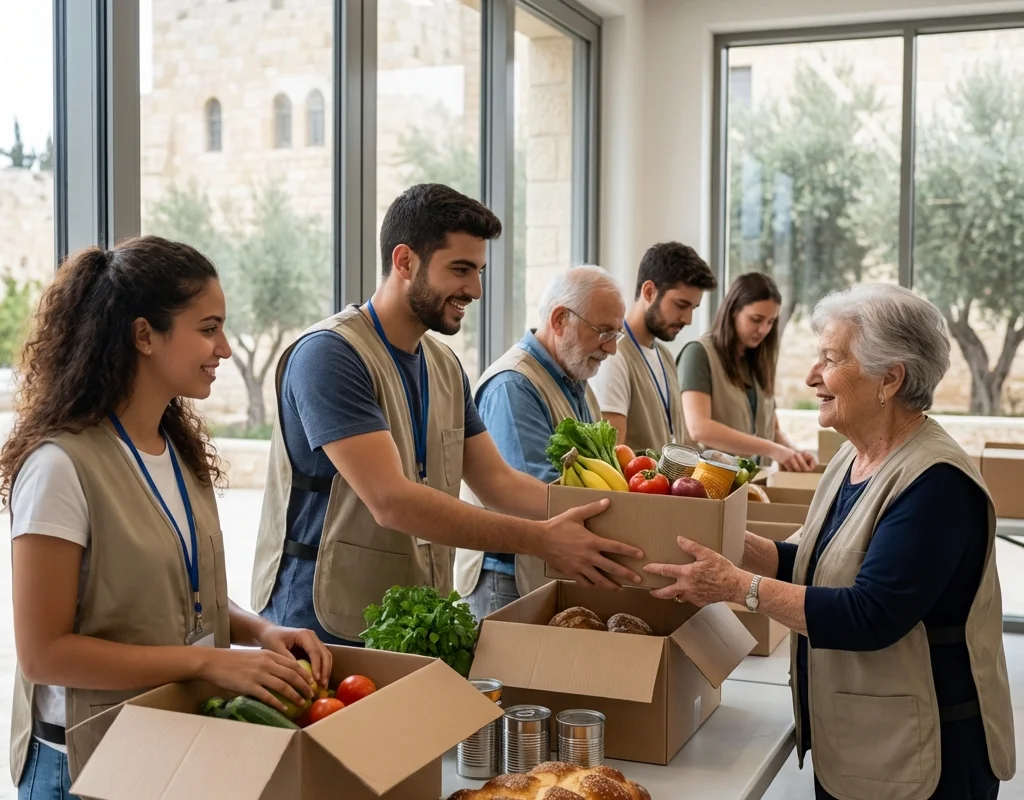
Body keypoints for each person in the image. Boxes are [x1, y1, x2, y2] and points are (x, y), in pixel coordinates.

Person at [645, 284, 1015, 800]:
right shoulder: (853, 456)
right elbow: (819, 562)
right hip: (867, 743)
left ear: (890, 379)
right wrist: (728, 540)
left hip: (928, 756)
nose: (811, 376)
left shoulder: (937, 484)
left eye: (830, 359)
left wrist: (737, 587)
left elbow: (870, 614)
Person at [1, 237, 333, 799]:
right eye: (208, 328)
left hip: (165, 750)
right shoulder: (60, 467)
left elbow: (181, 590)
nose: (224, 348)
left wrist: (259, 630)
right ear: (143, 336)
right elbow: (43, 653)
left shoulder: (176, 451)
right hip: (82, 765)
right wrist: (209, 664)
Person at [250, 184, 642, 647]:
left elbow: (498, 483)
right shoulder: (330, 355)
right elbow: (391, 500)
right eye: (460, 269)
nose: (474, 289)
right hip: (319, 623)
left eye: (478, 271)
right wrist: (542, 539)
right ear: (404, 261)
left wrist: (622, 513)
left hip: (408, 616)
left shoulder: (444, 364)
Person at [454, 266, 626, 620]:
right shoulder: (513, 386)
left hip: (540, 571)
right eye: (603, 332)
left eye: (617, 334)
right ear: (560, 319)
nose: (610, 348)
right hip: (506, 579)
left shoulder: (573, 375)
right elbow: (532, 493)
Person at [676, 272, 815, 470]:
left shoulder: (757, 361)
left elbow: (771, 430)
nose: (763, 330)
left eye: (770, 321)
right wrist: (772, 450)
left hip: (754, 483)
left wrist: (793, 453)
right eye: (756, 319)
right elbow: (699, 428)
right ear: (733, 310)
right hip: (709, 485)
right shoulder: (698, 354)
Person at [591, 242, 717, 454]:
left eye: (693, 308)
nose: (687, 319)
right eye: (681, 305)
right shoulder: (614, 357)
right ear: (649, 292)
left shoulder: (665, 356)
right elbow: (612, 458)